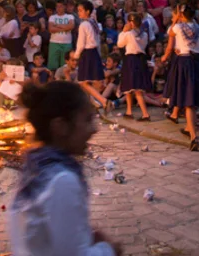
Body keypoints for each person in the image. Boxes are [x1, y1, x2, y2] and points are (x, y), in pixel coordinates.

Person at [8, 80, 120, 255]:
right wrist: (109, 250)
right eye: (87, 120)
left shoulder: (36, 165)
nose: (94, 129)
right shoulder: (62, 180)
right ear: (60, 126)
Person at [162, 1, 199, 151]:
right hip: (198, 62)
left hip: (185, 62)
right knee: (193, 98)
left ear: (181, 14)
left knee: (188, 100)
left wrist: (175, 20)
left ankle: (193, 137)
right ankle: (190, 126)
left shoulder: (177, 27)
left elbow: (169, 38)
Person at [75, 1, 109, 111]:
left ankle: (103, 100)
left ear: (87, 11)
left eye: (81, 10)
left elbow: (81, 43)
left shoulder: (84, 25)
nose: (79, 12)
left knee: (83, 81)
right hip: (94, 52)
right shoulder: (93, 23)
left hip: (87, 53)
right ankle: (92, 102)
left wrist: (76, 55)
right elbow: (97, 41)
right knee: (87, 81)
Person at [117, 14, 150, 121]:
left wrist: (123, 32)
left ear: (131, 23)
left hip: (131, 59)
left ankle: (145, 114)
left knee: (136, 88)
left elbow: (120, 44)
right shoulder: (144, 34)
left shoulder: (128, 34)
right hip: (141, 59)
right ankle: (129, 111)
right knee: (129, 87)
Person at [47, 0, 75, 72]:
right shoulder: (52, 17)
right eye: (57, 6)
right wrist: (65, 28)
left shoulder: (70, 16)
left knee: (65, 65)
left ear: (65, 7)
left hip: (66, 43)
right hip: (54, 42)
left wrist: (57, 25)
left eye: (61, 6)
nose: (58, 8)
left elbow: (71, 26)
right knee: (52, 65)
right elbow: (51, 29)